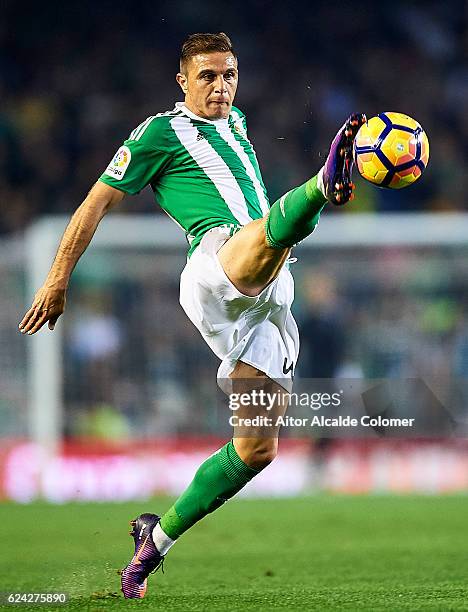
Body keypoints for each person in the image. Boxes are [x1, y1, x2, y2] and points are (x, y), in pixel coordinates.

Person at [19, 32, 365, 599]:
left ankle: (156, 539)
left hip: (268, 294)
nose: (220, 86)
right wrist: (57, 280)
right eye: (207, 76)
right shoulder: (159, 132)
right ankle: (322, 185)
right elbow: (94, 202)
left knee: (257, 449)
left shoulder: (238, 122)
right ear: (183, 81)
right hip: (214, 267)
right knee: (249, 248)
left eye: (229, 75)